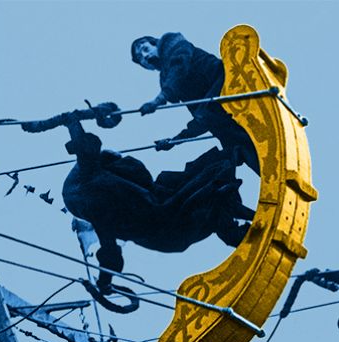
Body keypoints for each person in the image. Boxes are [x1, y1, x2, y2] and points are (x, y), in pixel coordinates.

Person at [56, 114, 254, 293]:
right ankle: (232, 215)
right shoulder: (91, 182)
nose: (126, 161)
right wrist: (72, 122)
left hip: (168, 229)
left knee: (201, 193)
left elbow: (110, 251)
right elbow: (85, 151)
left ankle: (233, 219)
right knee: (206, 188)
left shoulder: (104, 207)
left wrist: (104, 282)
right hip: (164, 222)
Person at [131, 33, 260, 174]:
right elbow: (200, 118)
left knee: (211, 115)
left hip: (227, 83)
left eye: (145, 49)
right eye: (140, 58)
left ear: (155, 44)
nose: (145, 56)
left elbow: (179, 67)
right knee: (234, 148)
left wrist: (159, 100)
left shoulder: (172, 44)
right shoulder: (168, 80)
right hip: (218, 111)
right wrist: (174, 140)